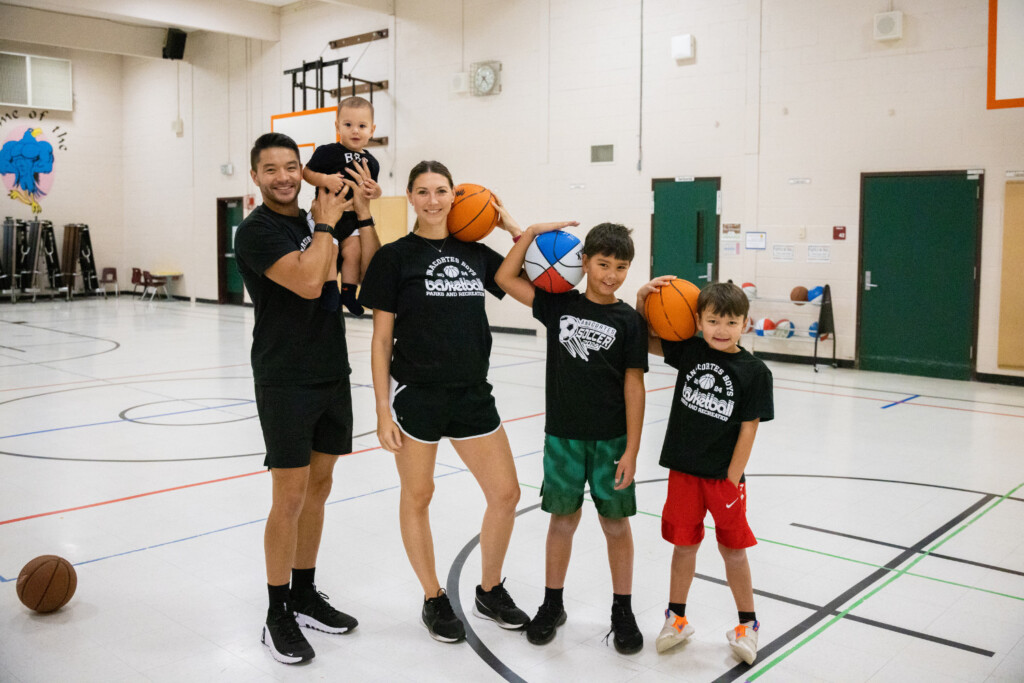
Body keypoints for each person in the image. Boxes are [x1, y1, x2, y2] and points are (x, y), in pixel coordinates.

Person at [357, 161, 533, 643]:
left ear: (456, 196)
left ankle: (489, 589)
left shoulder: (477, 253)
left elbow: (533, 282)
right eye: (423, 192)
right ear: (410, 198)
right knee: (419, 496)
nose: (434, 200)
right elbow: (379, 339)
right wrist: (381, 411)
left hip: (472, 392)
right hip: (417, 395)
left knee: (506, 494)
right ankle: (434, 597)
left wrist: (511, 224)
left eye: (442, 191)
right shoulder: (395, 258)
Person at [234, 132, 381, 664]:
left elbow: (360, 275)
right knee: (289, 498)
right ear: (255, 177)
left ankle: (303, 592)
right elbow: (308, 281)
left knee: (319, 488)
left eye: (291, 166)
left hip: (329, 371)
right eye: (270, 168)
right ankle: (276, 611)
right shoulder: (256, 231)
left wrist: (361, 214)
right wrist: (325, 224)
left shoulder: (316, 218)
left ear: (303, 169)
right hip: (284, 377)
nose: (283, 176)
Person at [494, 217, 649, 653]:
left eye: (620, 267)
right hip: (562, 436)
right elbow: (506, 276)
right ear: (583, 262)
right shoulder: (559, 304)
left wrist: (633, 449)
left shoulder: (630, 321)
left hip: (612, 440)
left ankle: (623, 610)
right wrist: (529, 232)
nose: (610, 275)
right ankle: (552, 604)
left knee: (615, 525)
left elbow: (634, 385)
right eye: (602, 264)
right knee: (562, 521)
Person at [635, 279, 774, 664]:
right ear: (698, 321)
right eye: (713, 321)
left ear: (745, 324)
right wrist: (642, 298)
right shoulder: (691, 351)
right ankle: (676, 618)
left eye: (731, 323)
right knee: (684, 546)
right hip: (684, 472)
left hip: (723, 478)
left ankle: (747, 624)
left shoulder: (755, 371)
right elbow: (643, 337)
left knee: (733, 550)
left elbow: (749, 427)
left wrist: (733, 476)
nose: (721, 330)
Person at [302, 96, 382, 316]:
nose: (355, 131)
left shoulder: (372, 162)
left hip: (352, 217)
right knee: (331, 249)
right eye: (348, 125)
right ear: (337, 126)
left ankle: (348, 292)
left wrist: (375, 192)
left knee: (354, 251)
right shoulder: (327, 152)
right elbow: (306, 173)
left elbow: (374, 189)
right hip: (326, 216)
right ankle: (330, 290)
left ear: (372, 130)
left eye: (362, 126)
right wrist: (324, 180)